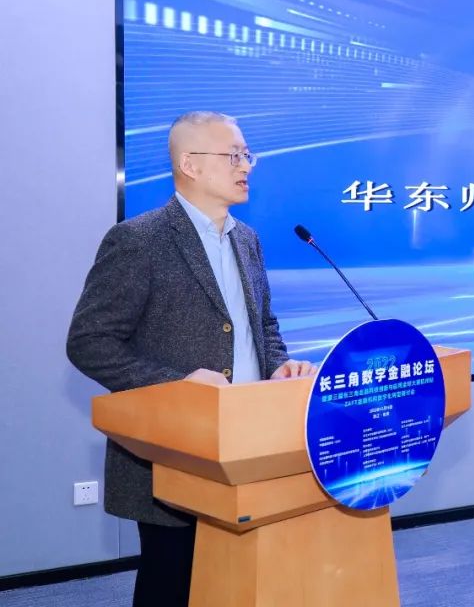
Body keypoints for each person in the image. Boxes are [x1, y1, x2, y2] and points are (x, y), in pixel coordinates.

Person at [67, 111, 316, 607]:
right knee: (172, 582)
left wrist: (279, 366)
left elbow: (263, 326)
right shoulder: (139, 240)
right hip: (176, 450)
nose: (246, 165)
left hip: (249, 444)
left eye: (247, 155)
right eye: (234, 155)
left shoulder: (247, 239)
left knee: (237, 582)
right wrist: (178, 384)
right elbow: (89, 341)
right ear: (189, 164)